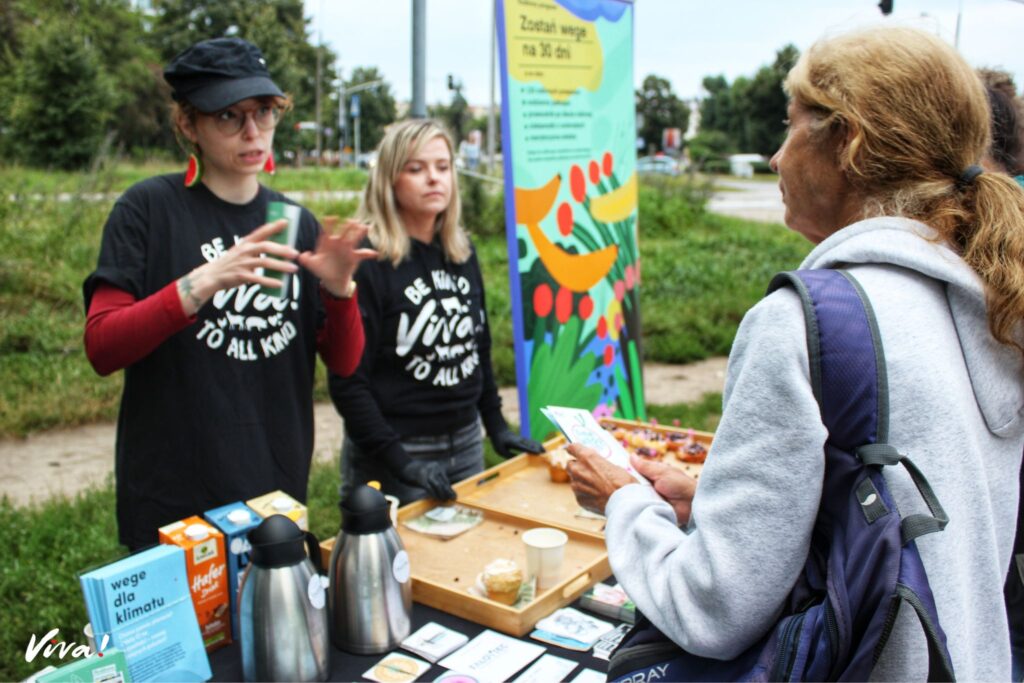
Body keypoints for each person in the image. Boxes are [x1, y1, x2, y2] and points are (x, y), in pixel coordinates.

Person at [567, 27, 1024, 680]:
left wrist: (623, 501)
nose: (777, 157)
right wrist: (708, 502)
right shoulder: (994, 300)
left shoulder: (804, 323)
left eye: (791, 128)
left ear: (847, 141)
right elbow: (899, 514)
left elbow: (712, 606)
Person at [83, 37, 376, 550]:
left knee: (268, 627)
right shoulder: (148, 210)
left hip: (273, 490)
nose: (252, 132)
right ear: (188, 124)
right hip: (173, 497)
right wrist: (200, 283)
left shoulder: (291, 222)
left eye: (264, 112)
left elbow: (345, 363)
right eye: (228, 116)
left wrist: (339, 290)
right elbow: (103, 347)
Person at [328, 119, 541, 505]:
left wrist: (495, 425)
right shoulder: (368, 260)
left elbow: (477, 346)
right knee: (397, 565)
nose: (433, 179)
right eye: (416, 168)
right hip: (395, 452)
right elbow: (348, 382)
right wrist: (401, 463)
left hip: (466, 443)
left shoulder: (462, 250)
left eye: (443, 167)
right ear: (390, 178)